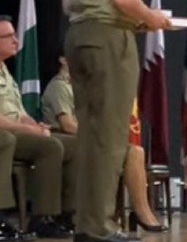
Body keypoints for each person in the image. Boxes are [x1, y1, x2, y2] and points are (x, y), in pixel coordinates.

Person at [62, 0, 171, 242]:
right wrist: (153, 19)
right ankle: (100, 226)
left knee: (91, 134)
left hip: (78, 35)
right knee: (110, 136)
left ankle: (87, 221)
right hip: (109, 39)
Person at [41, 53, 166, 232]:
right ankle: (129, 213)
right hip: (67, 138)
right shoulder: (60, 87)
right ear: (63, 60)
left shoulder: (83, 86)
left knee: (136, 151)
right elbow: (67, 125)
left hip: (87, 137)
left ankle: (141, 210)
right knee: (123, 152)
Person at [0, 18, 76, 239]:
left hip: (15, 130)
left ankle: (68, 213)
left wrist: (35, 126)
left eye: (15, 35)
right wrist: (30, 131)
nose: (16, 40)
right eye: (9, 37)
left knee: (77, 145)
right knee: (49, 147)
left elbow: (20, 113)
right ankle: (41, 216)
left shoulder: (6, 71)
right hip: (6, 132)